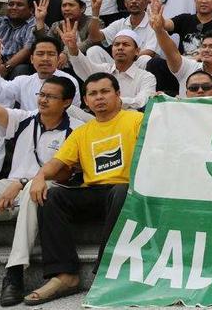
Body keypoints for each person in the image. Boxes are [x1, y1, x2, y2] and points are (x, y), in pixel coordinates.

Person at [25, 73, 143, 304]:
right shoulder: (82, 132)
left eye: (105, 92)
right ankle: (65, 275)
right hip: (95, 193)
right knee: (53, 194)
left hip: (128, 194)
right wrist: (39, 176)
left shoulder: (136, 120)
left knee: (121, 190)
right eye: (93, 94)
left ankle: (106, 273)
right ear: (86, 101)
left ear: (118, 95)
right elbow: (57, 164)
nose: (99, 98)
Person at [0, 78, 82, 306]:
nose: (43, 100)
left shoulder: (77, 128)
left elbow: (67, 173)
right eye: (41, 94)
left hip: (45, 192)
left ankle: (14, 272)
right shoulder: (23, 119)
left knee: (35, 190)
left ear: (66, 102)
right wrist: (17, 183)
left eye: (51, 96)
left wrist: (25, 182)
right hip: (9, 189)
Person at [62, 23, 156, 111]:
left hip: (131, 120)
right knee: (69, 109)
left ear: (137, 51)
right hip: (101, 118)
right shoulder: (104, 70)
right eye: (116, 44)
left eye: (125, 45)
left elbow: (143, 101)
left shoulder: (146, 77)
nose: (120, 48)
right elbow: (83, 66)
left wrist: (112, 100)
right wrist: (73, 48)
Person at [150, 1, 212, 97]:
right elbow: (171, 52)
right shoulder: (189, 66)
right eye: (203, 46)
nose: (206, 50)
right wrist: (159, 31)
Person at [0, 37, 81, 111]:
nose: (45, 58)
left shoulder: (69, 81)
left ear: (58, 59)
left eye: (51, 54)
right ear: (31, 59)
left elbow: (73, 112)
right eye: (40, 54)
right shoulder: (22, 81)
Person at [88, 0, 158, 66]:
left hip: (138, 68)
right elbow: (94, 37)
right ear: (125, 3)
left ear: (146, 3)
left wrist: (126, 59)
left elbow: (151, 52)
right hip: (119, 66)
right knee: (93, 51)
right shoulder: (119, 24)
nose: (134, 1)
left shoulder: (154, 23)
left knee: (145, 59)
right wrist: (95, 12)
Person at [0, 0, 38, 77]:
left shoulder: (35, 25)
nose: (14, 7)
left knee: (21, 69)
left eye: (19, 5)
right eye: (11, 4)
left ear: (31, 10)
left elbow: (28, 49)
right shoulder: (4, 21)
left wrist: (5, 67)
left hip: (19, 66)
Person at [33, 0, 101, 56]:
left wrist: (66, 54)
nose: (66, 9)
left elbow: (90, 42)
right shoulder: (57, 25)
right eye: (64, 6)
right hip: (63, 65)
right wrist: (40, 20)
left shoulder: (95, 22)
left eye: (71, 5)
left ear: (82, 8)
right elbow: (46, 45)